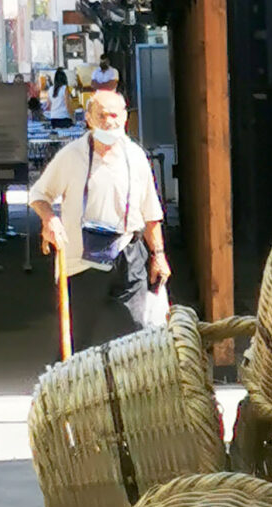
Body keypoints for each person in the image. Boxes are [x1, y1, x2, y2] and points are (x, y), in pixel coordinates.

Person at [29, 88, 170, 352]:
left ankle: (135, 389)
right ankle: (71, 389)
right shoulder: (72, 155)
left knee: (139, 328)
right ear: (89, 120)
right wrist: (49, 219)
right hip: (83, 255)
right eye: (102, 116)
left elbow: (151, 211)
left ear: (125, 119)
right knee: (77, 336)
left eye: (115, 116)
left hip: (129, 251)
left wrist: (158, 255)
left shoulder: (135, 156)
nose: (109, 122)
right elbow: (39, 194)